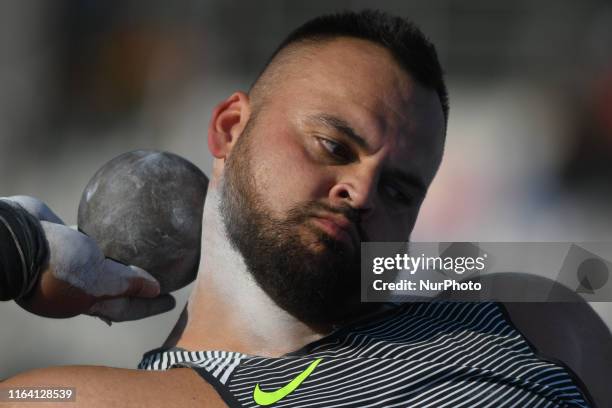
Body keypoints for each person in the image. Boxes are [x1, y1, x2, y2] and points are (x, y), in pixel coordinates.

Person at [2, 10, 594, 408]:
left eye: (399, 191)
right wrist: (12, 251)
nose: (360, 192)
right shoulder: (83, 399)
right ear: (232, 128)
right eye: (335, 148)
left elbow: (575, 268)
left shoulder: (529, 311)